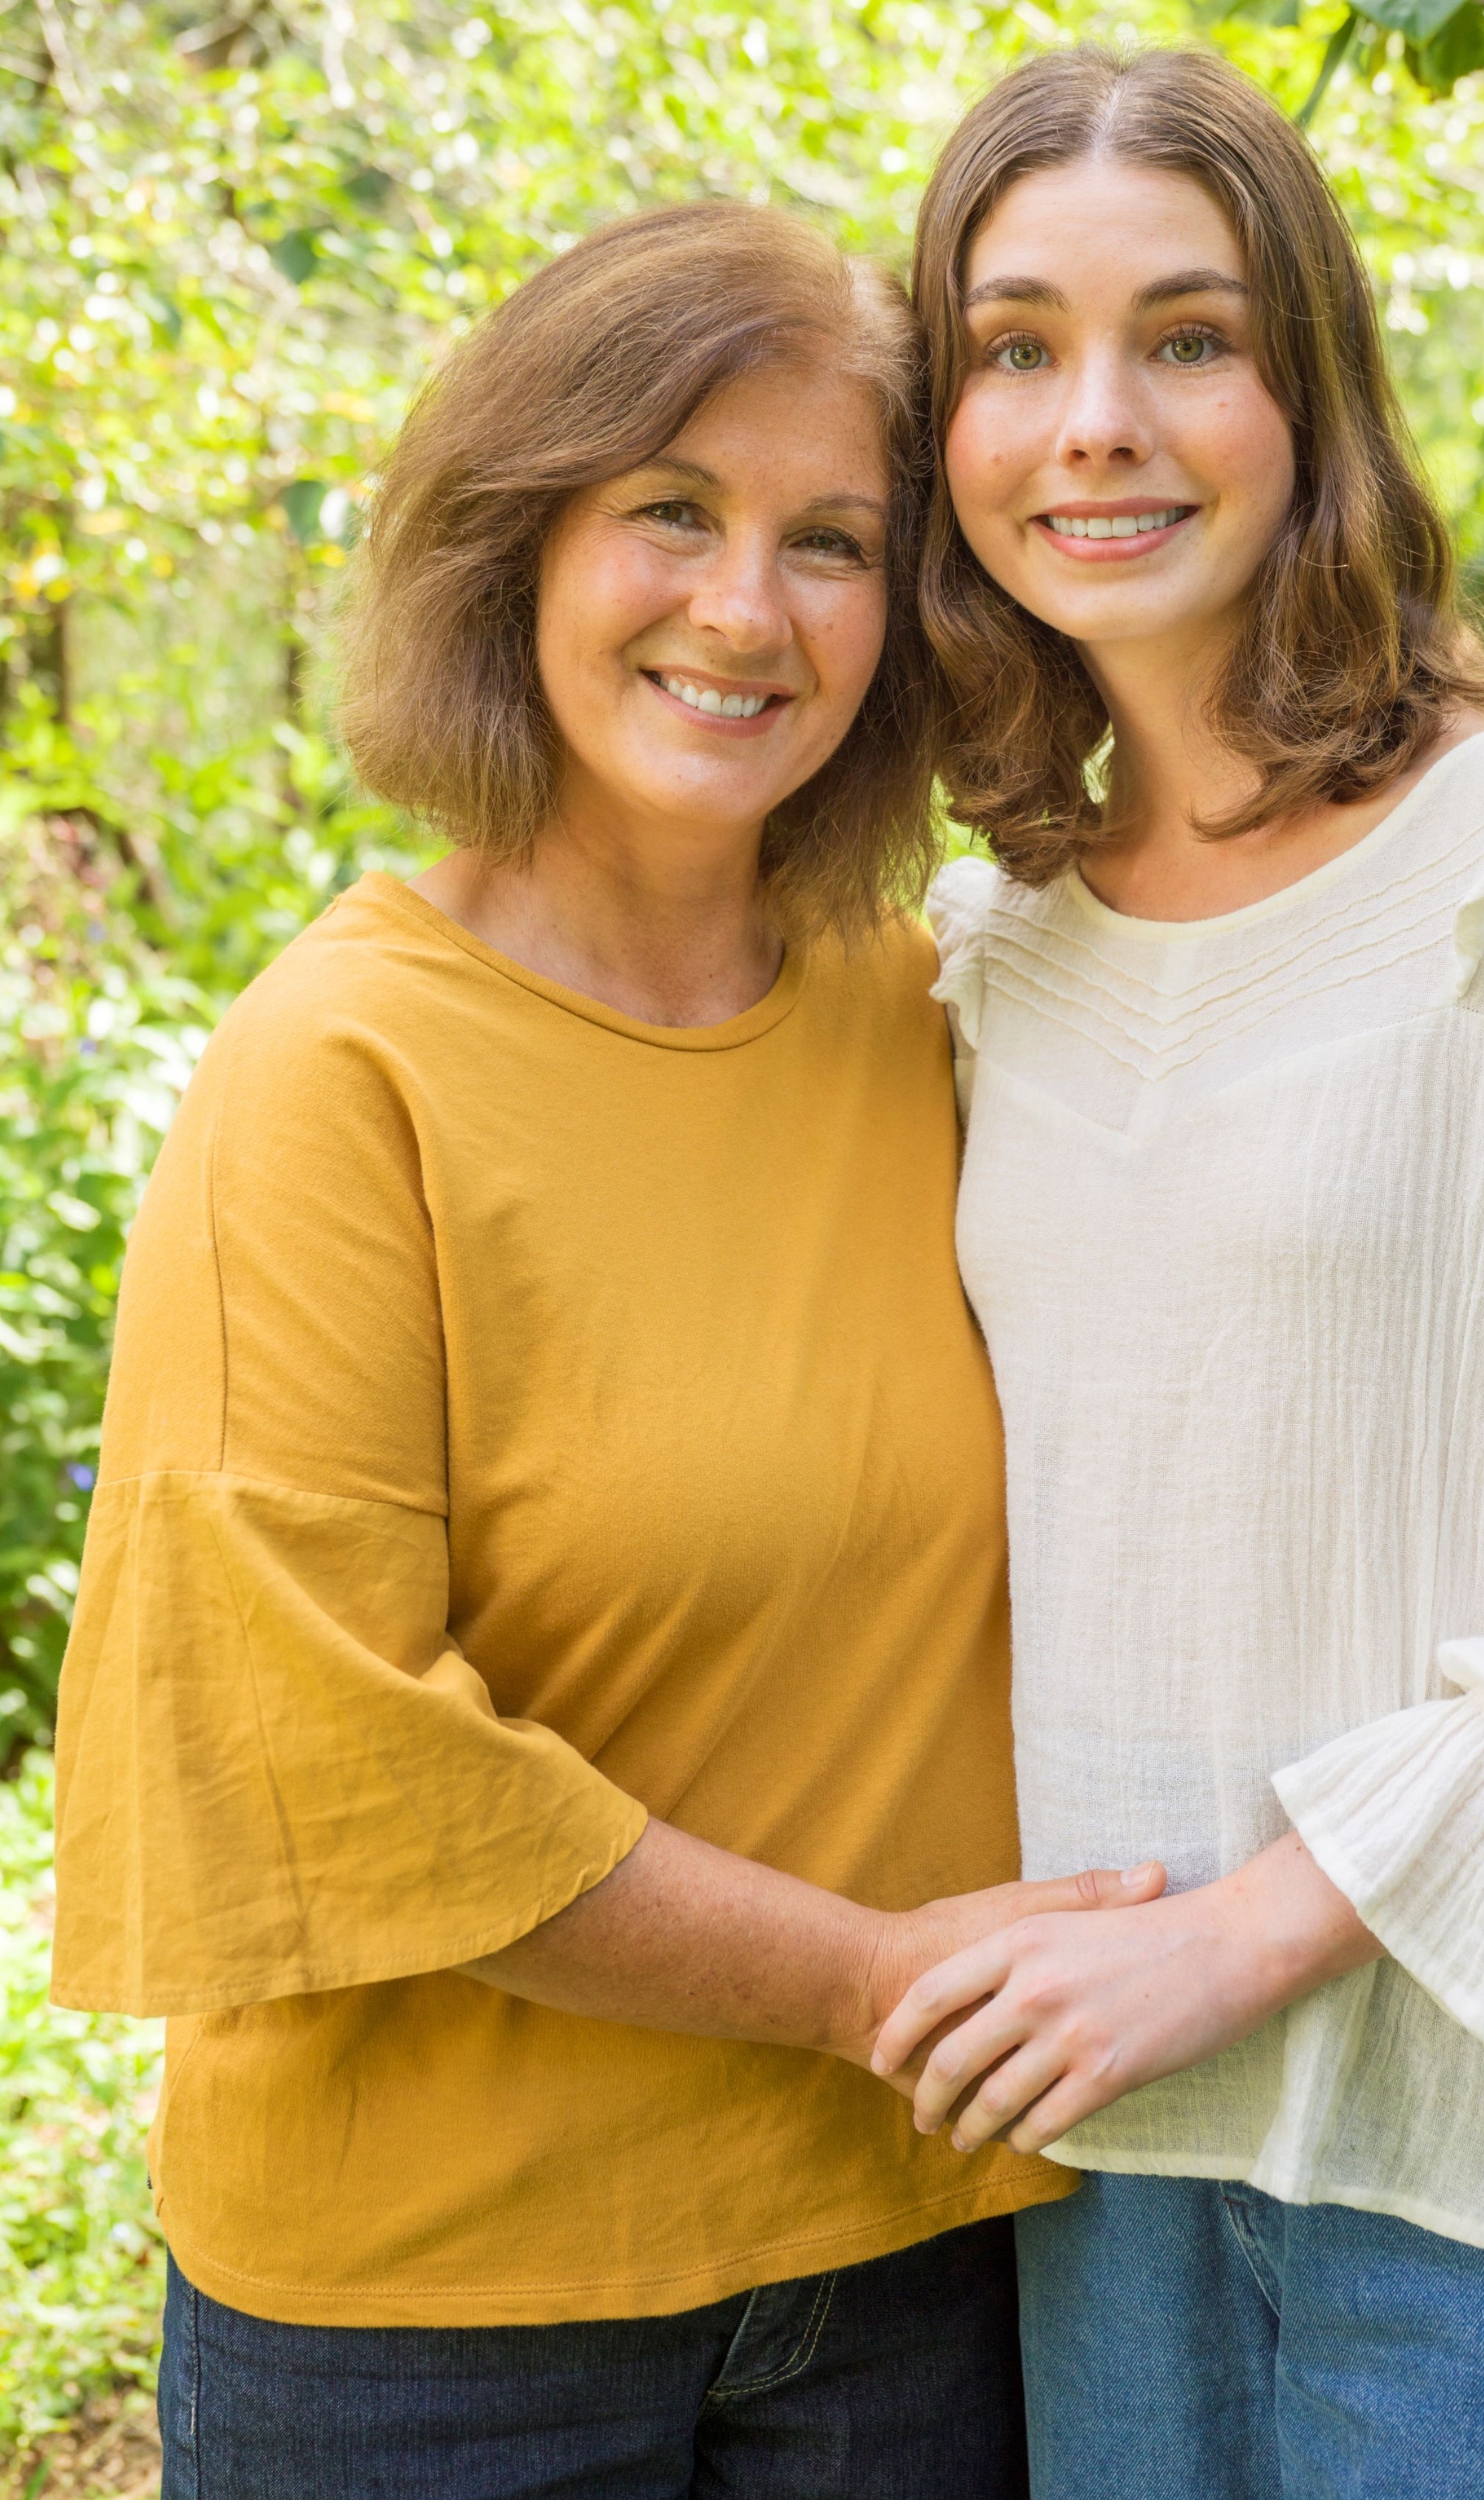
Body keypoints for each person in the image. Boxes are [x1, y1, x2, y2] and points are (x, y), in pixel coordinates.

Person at [50, 199, 1163, 2500]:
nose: (746, 609)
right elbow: (344, 1766)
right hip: (439, 2321)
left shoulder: (933, 1010)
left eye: (833, 538)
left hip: (905, 2252)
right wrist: (884, 1980)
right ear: (518, 543)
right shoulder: (340, 1073)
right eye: (671, 507)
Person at [870, 48, 1484, 2500]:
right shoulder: (986, 959)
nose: (1093, 422)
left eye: (1186, 338)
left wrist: (1245, 1926)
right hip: (1105, 2145)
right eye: (1014, 348)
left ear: (1311, 387)